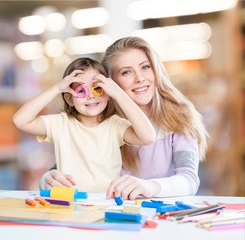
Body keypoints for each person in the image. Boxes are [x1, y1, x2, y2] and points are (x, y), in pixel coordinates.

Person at [39, 36, 208, 199]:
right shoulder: (103, 121)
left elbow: (189, 180)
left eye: (145, 67)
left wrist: (149, 186)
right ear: (109, 83)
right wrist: (47, 179)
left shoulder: (179, 117)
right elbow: (73, 167)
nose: (140, 78)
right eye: (126, 72)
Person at [13, 57, 155, 193]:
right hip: (70, 201)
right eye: (81, 90)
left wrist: (118, 93)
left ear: (108, 92)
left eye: (97, 89)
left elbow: (148, 137)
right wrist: (57, 88)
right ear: (69, 99)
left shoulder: (115, 125)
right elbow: (20, 120)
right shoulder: (60, 124)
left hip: (107, 201)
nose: (91, 96)